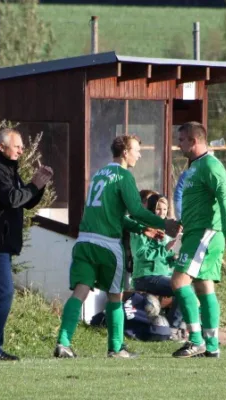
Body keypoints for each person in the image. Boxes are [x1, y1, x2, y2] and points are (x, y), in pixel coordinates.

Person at [54, 135, 180, 359]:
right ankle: (116, 348)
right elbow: (138, 211)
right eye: (136, 150)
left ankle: (63, 343)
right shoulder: (124, 177)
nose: (139, 155)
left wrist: (142, 229)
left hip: (84, 242)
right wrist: (164, 224)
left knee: (79, 292)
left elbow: (115, 215)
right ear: (124, 152)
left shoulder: (99, 175)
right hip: (107, 246)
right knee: (115, 296)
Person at [0, 128, 53, 361]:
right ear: (2, 147)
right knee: (5, 292)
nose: (21, 149)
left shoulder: (8, 169)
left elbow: (24, 203)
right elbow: (13, 198)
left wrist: (39, 185)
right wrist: (33, 185)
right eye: (17, 146)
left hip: (2, 243)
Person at [170, 122, 226, 358]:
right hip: (194, 233)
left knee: (179, 282)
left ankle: (196, 340)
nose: (178, 144)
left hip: (206, 233)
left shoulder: (210, 165)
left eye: (181, 140)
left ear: (193, 141)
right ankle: (212, 347)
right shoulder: (194, 167)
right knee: (203, 287)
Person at [130, 194, 184, 339]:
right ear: (150, 210)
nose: (161, 212)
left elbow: (164, 257)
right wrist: (165, 249)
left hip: (164, 274)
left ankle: (189, 330)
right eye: (158, 209)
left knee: (193, 285)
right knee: (183, 289)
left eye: (165, 209)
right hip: (145, 276)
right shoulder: (141, 228)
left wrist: (174, 258)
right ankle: (173, 329)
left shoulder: (166, 231)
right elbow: (140, 254)